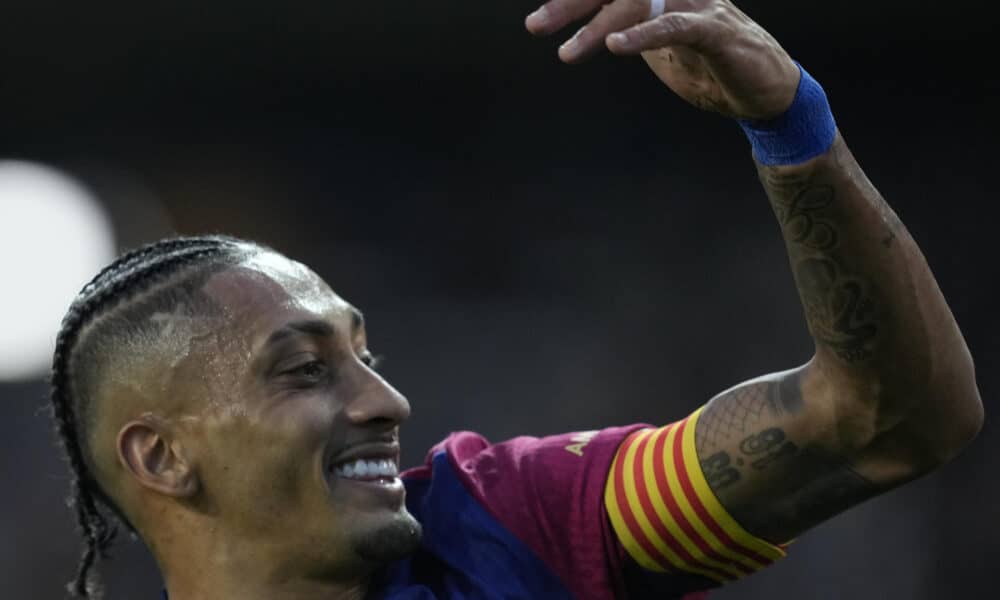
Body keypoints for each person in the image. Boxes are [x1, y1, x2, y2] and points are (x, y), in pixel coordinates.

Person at [48, 0, 983, 598]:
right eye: (303, 371)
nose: (386, 403)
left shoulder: (505, 526)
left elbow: (888, 422)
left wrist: (790, 127)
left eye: (364, 358)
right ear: (163, 457)